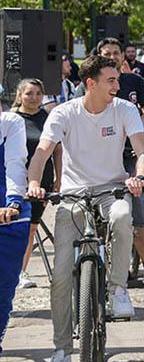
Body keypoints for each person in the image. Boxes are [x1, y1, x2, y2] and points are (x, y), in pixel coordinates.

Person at [26, 55, 144, 362]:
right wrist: (33, 183)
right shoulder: (64, 113)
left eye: (118, 80)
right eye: (111, 80)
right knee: (60, 277)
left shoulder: (124, 109)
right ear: (90, 84)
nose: (117, 86)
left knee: (123, 216)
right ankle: (61, 348)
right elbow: (42, 152)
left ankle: (119, 290)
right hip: (73, 195)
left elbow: (142, 150)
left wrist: (139, 176)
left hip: (112, 188)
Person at [77, 38, 144, 287]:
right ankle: (89, 268)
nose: (114, 56)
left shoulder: (134, 82)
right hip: (98, 157)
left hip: (131, 155)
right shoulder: (87, 85)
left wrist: (138, 115)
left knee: (136, 214)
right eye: (107, 53)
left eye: (117, 53)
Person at [11, 79, 62, 289]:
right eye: (29, 93)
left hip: (43, 179)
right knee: (14, 226)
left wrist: (60, 177)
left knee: (31, 227)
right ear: (20, 95)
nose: (34, 98)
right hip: (15, 177)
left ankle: (21, 271)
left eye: (38, 93)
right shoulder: (11, 119)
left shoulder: (48, 118)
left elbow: (58, 150)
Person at [0, 106, 31, 355]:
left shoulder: (10, 122)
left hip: (8, 211)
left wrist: (13, 202)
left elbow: (15, 163)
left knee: (3, 285)